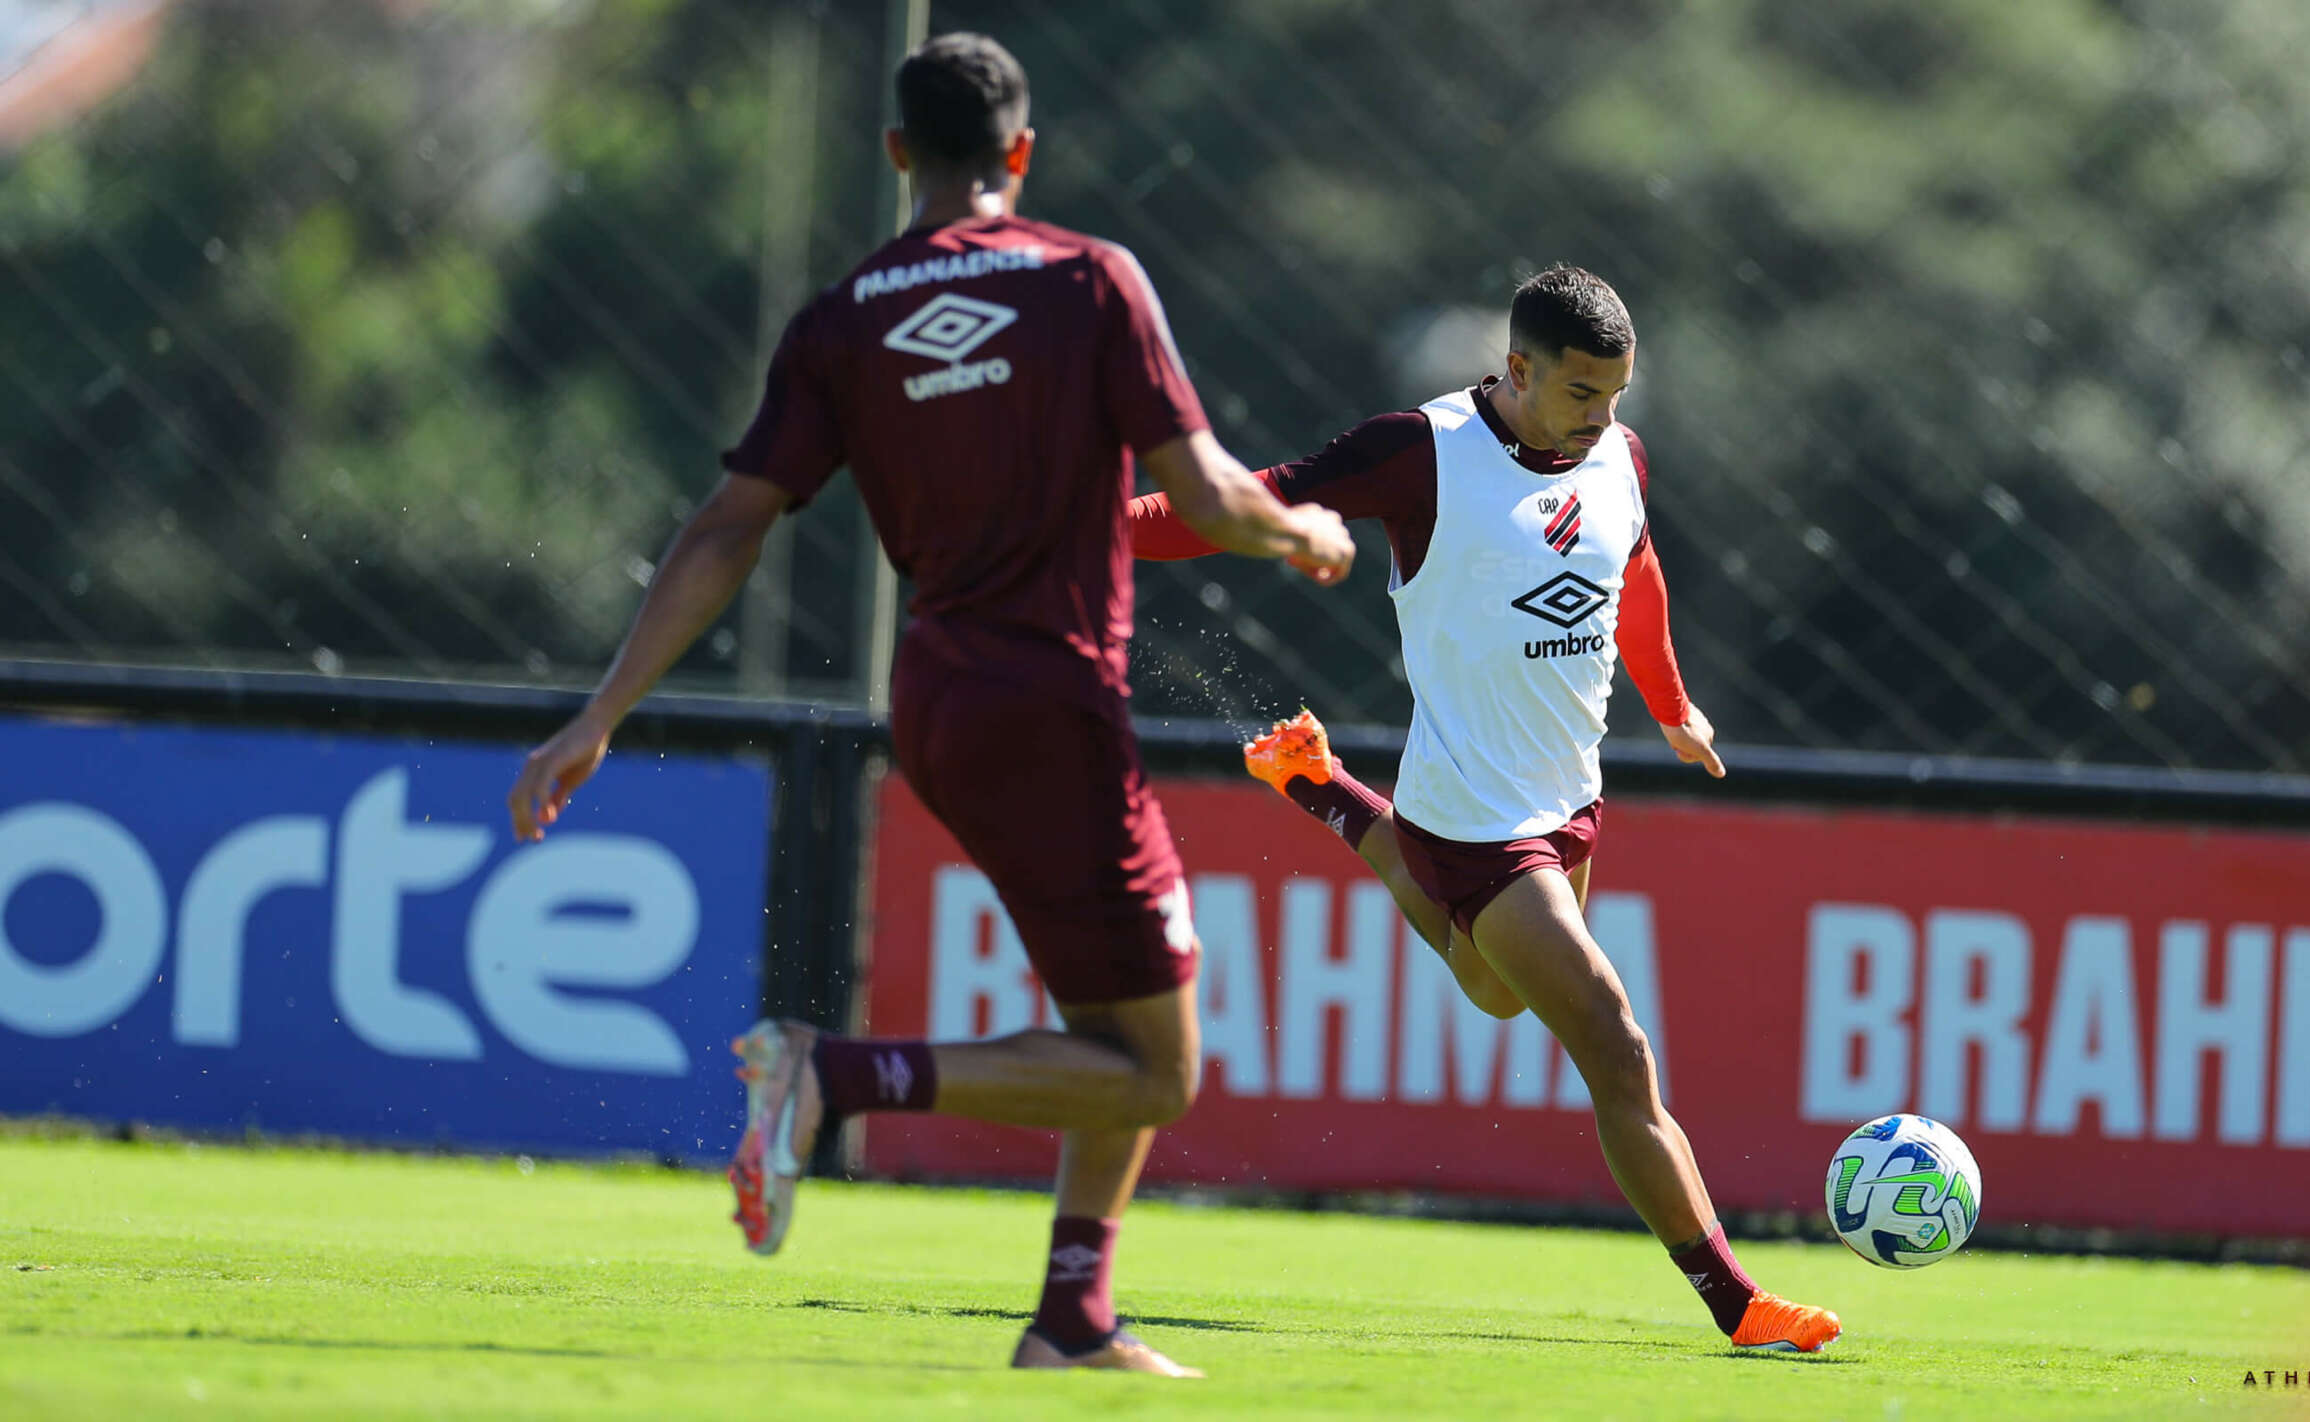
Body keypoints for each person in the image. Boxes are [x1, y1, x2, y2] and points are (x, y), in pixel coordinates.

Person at [505, 32, 1353, 1378]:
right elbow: (1202, 495)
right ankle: (830, 1078)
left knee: (1119, 1025)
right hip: (1052, 704)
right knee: (1160, 1067)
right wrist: (1300, 532)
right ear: (1021, 154)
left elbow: (729, 526)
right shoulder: (1088, 279)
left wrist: (599, 711)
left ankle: (1073, 1314)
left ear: (899, 154)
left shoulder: (842, 320)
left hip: (941, 704)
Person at [1125, 265, 1842, 1355]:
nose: (1602, 418)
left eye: (1617, 396)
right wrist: (1085, 526)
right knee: (1613, 1040)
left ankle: (1323, 789)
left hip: (1571, 796)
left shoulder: (1618, 453)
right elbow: (1247, 501)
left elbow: (1634, 563)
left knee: (1492, 992)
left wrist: (1671, 702)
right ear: (1515, 370)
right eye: (1579, 396)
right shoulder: (1419, 453)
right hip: (1472, 811)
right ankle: (1738, 1303)